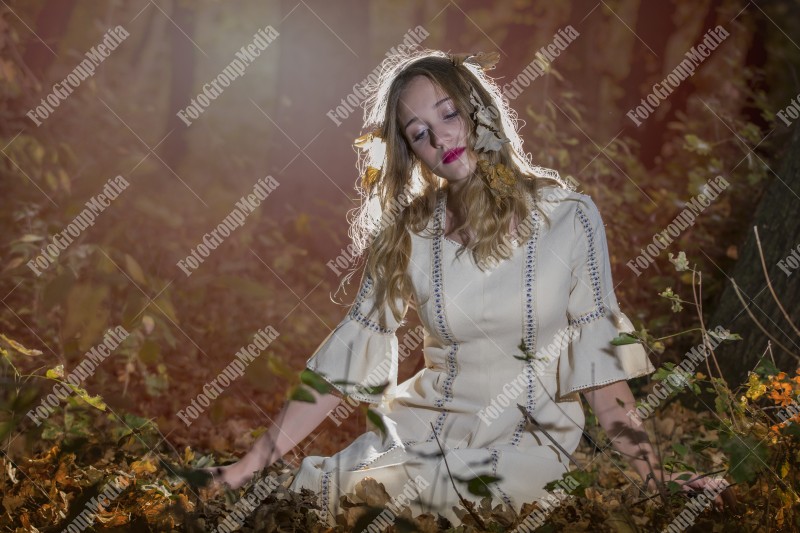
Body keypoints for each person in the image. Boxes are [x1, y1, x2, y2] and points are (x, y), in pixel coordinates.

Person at [202, 49, 731, 527]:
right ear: (410, 152)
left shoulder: (568, 216)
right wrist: (247, 467)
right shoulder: (406, 233)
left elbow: (601, 375)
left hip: (526, 444)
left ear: (478, 110)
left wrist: (655, 482)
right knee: (336, 493)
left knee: (434, 505)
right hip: (420, 431)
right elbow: (342, 361)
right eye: (418, 132)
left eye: (448, 114)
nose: (440, 139)